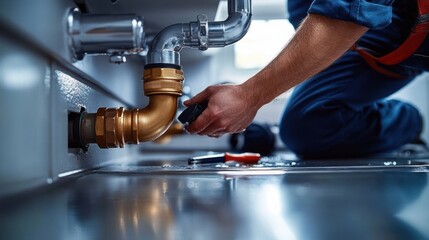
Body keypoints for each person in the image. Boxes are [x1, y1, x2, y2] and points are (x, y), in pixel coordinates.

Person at [184, 0, 429, 158]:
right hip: (386, 32)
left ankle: (409, 121)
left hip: (407, 23)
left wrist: (248, 96)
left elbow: (350, 13)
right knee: (307, 126)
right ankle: (406, 121)